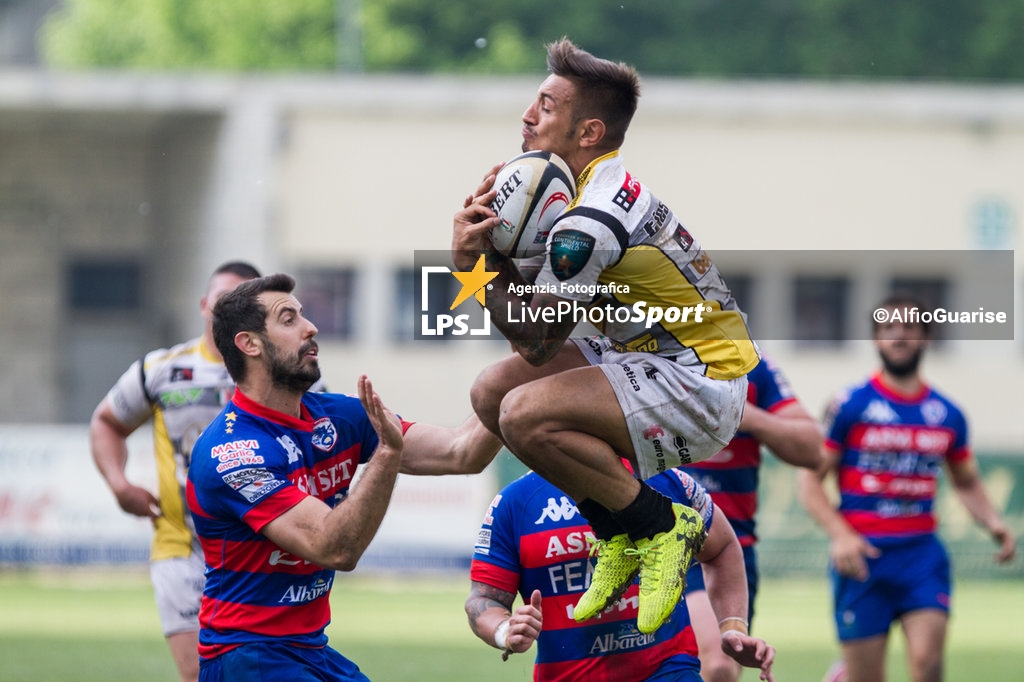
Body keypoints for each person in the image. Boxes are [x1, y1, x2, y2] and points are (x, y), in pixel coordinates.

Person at [451, 37, 759, 636]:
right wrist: (492, 250)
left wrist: (475, 264)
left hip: (701, 378)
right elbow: (529, 328)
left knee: (521, 415)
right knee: (492, 394)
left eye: (545, 105)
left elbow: (537, 342)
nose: (527, 115)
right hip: (641, 349)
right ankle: (619, 529)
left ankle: (660, 527)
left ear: (589, 132)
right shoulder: (570, 194)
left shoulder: (585, 226)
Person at [186, 273, 500, 682]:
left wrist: (521, 373)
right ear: (250, 344)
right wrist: (387, 454)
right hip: (247, 655)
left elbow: (462, 451)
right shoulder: (231, 452)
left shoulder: (338, 415)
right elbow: (335, 548)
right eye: (288, 319)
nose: (310, 326)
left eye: (302, 315)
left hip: (309, 649)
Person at [796, 293, 1016, 682]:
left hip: (921, 557)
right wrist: (840, 535)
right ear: (876, 339)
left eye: (909, 328)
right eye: (888, 329)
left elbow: (966, 482)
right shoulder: (850, 404)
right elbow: (810, 479)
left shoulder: (947, 414)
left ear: (925, 337)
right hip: (863, 558)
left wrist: (993, 522)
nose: (899, 336)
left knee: (928, 666)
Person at [90, 260, 261, 682]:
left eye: (241, 303)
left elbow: (323, 435)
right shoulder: (162, 369)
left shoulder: (279, 374)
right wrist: (119, 484)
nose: (227, 311)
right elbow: (106, 422)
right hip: (181, 547)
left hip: (256, 550)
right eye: (222, 300)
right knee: (200, 675)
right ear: (204, 305)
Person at [466, 464, 776, 681]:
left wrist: (732, 627)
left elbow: (722, 548)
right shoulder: (515, 502)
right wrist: (505, 630)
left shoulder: (664, 480)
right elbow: (482, 599)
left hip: (668, 672)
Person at [681, 354, 822, 682]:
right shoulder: (641, 349)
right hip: (656, 539)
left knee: (723, 668)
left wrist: (743, 414)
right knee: (710, 664)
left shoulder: (752, 366)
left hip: (730, 548)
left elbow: (813, 448)